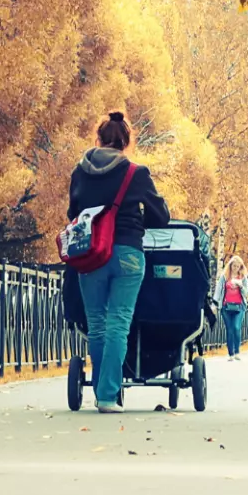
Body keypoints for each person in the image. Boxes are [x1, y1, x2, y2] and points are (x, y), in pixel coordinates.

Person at [68, 112, 170, 413]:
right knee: (118, 323)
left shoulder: (80, 171)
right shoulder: (135, 173)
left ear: (98, 138)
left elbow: (73, 212)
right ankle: (108, 396)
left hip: (90, 254)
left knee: (97, 324)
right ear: (126, 142)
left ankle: (103, 392)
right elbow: (160, 217)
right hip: (127, 252)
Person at [219, 256, 248, 360]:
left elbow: (246, 294)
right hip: (226, 307)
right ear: (230, 265)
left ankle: (237, 352)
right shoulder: (225, 277)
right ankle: (230, 354)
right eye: (234, 266)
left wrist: (241, 286)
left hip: (239, 307)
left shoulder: (243, 278)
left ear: (241, 267)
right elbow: (218, 291)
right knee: (229, 329)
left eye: (238, 266)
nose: (235, 268)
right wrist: (215, 304)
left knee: (236, 327)